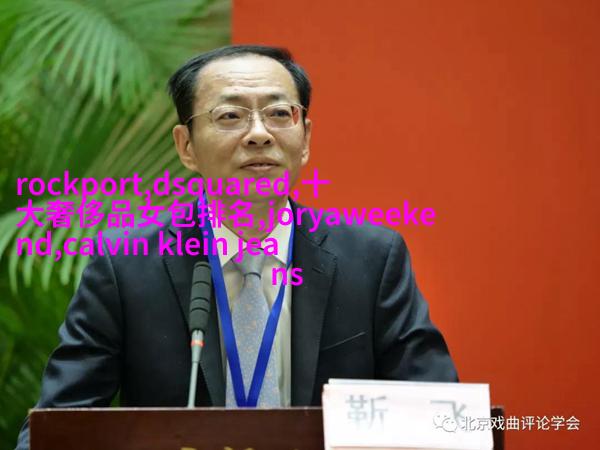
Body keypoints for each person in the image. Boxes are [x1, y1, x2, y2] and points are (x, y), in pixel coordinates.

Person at [15, 45, 458, 449]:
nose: (259, 134)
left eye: (280, 114)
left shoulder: (372, 259)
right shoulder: (125, 266)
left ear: (305, 138)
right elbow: (58, 426)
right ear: (186, 146)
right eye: (230, 116)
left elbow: (442, 418)